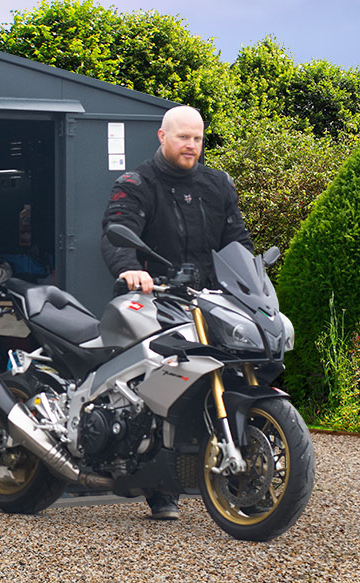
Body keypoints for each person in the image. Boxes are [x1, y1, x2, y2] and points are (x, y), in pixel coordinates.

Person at [99, 105, 253, 520]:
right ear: (162, 137)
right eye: (183, 137)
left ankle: (234, 468)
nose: (191, 145)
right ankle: (158, 484)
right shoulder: (135, 183)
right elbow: (117, 229)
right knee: (158, 378)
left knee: (236, 367)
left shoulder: (218, 183)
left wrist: (250, 276)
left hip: (208, 301)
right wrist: (129, 268)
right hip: (152, 297)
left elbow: (237, 240)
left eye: (198, 138)